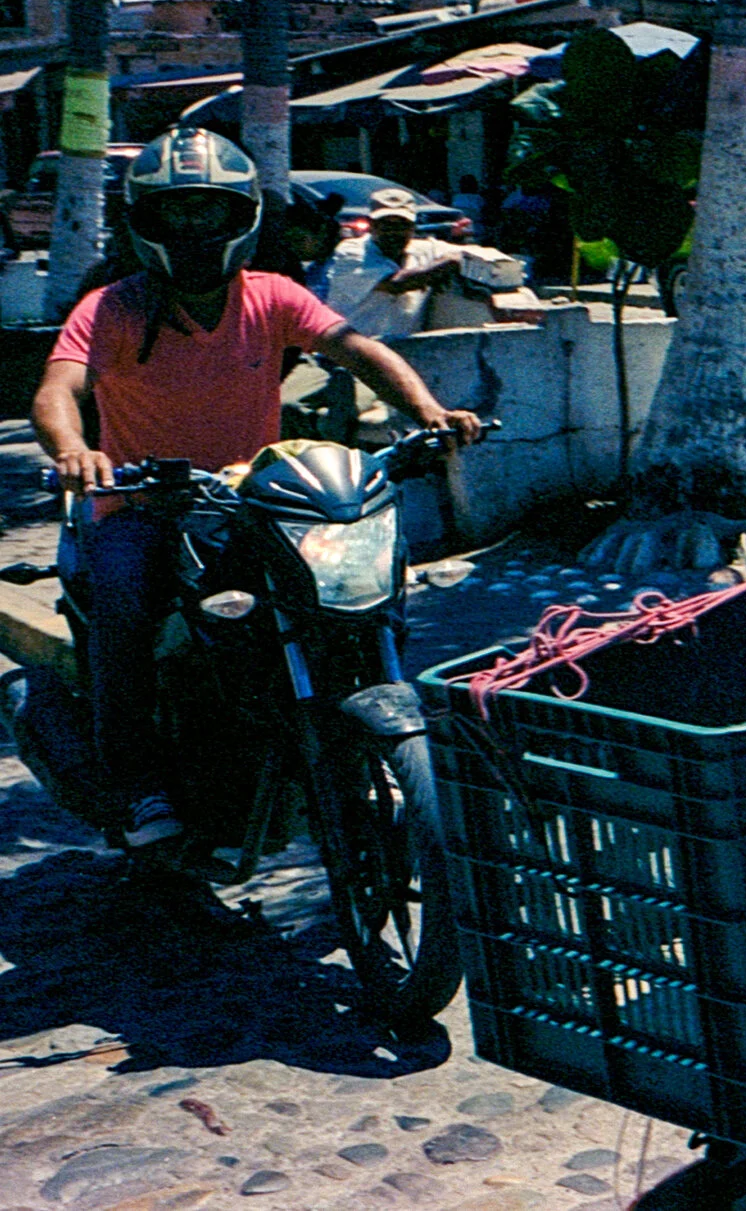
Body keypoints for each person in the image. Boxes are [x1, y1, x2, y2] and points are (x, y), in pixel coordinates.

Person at [31, 128, 482, 851]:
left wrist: (428, 411)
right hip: (142, 506)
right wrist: (74, 450)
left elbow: (357, 349)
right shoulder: (113, 307)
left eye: (209, 210)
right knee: (124, 615)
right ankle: (140, 785)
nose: (195, 228)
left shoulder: (273, 296)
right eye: (177, 211)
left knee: (353, 598)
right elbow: (59, 388)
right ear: (144, 220)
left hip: (253, 504)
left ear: (241, 216)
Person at [321, 186, 464, 341]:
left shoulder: (424, 249)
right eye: (386, 224)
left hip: (404, 347)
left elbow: (474, 253)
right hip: (350, 347)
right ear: (371, 225)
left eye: (402, 225)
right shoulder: (351, 251)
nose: (393, 232)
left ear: (413, 227)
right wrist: (447, 264)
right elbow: (396, 284)